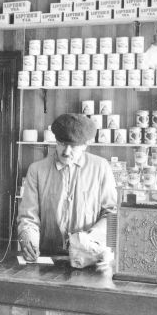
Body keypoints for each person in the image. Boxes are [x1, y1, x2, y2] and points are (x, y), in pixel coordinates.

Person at [16, 113, 117, 266]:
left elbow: (111, 214)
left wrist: (87, 239)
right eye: (62, 143)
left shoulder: (101, 167)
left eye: (74, 146)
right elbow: (28, 216)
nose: (66, 151)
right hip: (48, 256)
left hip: (90, 256)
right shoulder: (37, 170)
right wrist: (28, 239)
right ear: (56, 141)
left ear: (85, 145)